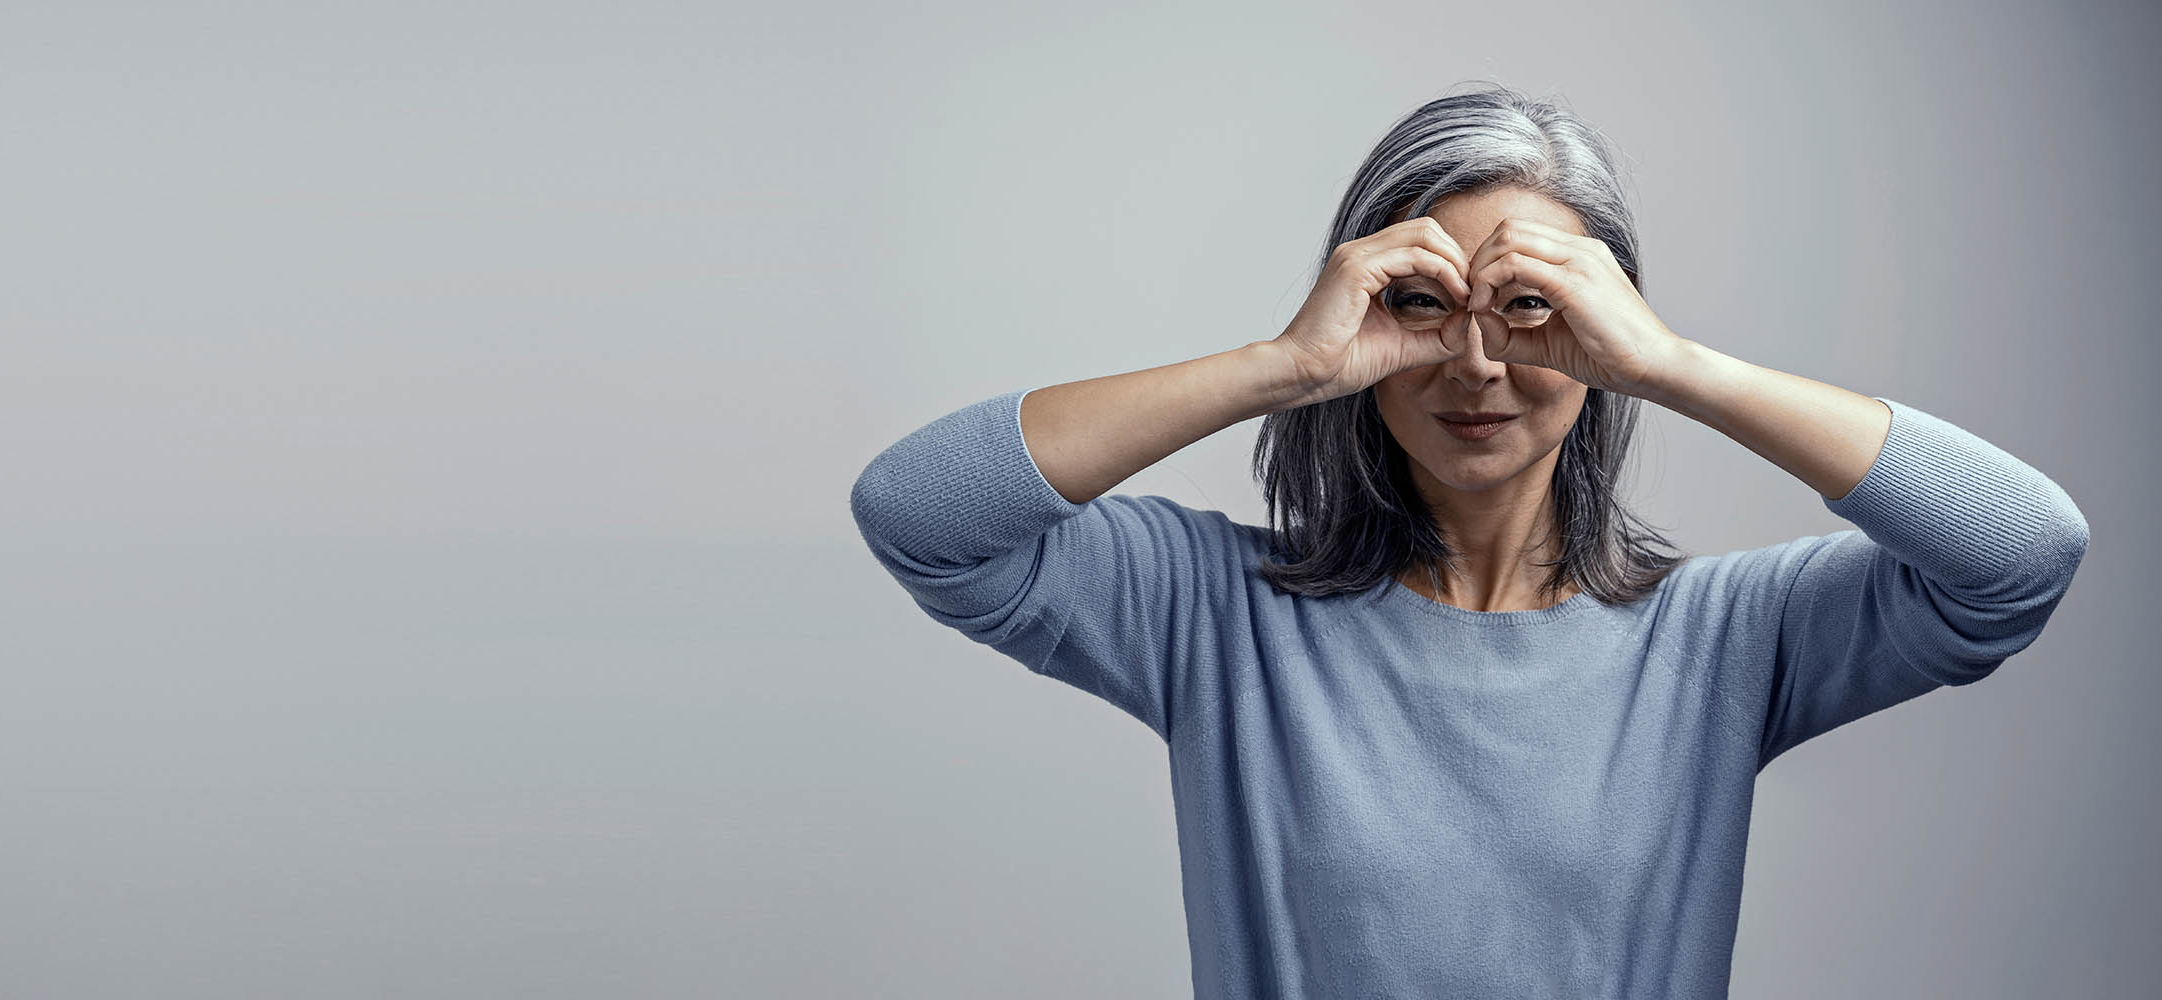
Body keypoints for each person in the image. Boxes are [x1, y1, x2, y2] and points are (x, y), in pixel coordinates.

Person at [846, 83, 2090, 999]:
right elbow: (921, 513)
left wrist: (1669, 364)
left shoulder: (1722, 641)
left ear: (1600, 336)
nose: (1480, 364)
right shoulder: (1218, 614)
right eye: (1424, 309)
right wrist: (1285, 365)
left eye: (1532, 311)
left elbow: (2020, 548)